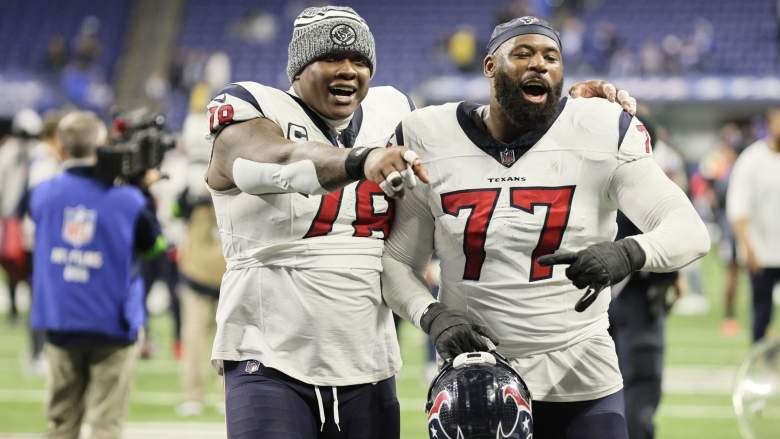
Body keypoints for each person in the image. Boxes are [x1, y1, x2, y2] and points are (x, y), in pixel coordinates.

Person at [205, 6, 636, 438]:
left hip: (366, 360)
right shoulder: (252, 106)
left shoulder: (391, 112)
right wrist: (362, 159)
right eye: (331, 59)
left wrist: (563, 109)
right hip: (266, 352)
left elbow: (476, 130)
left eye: (359, 61)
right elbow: (272, 160)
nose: (347, 71)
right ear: (299, 67)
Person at [380, 16, 709, 439]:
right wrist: (432, 316)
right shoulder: (428, 134)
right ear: (490, 67)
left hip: (584, 372)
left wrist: (628, 252)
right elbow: (397, 261)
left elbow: (689, 231)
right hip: (477, 378)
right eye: (522, 53)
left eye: (551, 56)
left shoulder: (600, 127)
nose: (539, 64)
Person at [29, 111, 166, 439]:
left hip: (60, 322)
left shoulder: (42, 193)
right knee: (106, 425)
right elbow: (154, 246)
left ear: (60, 149)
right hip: (113, 327)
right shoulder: (128, 199)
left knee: (61, 423)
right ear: (103, 143)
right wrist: (143, 191)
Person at [726, 107, 780, 343]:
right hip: (763, 252)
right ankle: (759, 365)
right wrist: (749, 247)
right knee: (762, 312)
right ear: (769, 125)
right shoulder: (751, 160)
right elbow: (738, 209)